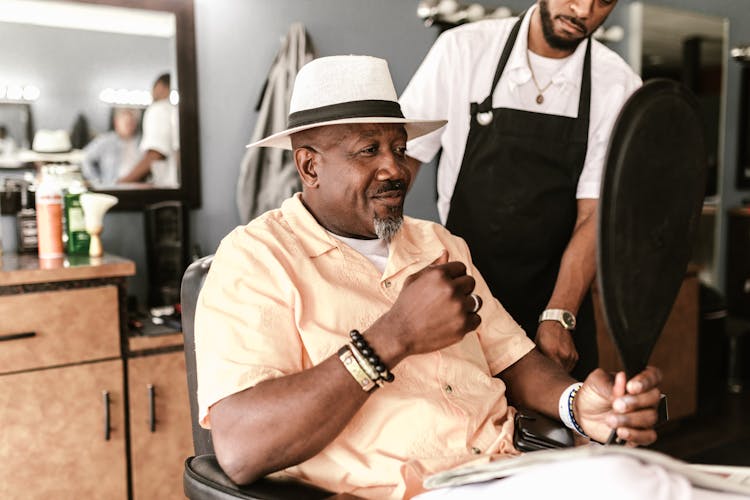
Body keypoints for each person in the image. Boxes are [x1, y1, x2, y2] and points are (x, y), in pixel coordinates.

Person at [192, 55, 694, 500]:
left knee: (662, 482)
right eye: (369, 150)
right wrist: (393, 337)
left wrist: (577, 404)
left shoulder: (439, 244)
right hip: (412, 489)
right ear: (309, 166)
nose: (396, 168)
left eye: (399, 146)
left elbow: (513, 359)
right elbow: (241, 449)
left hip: (510, 466)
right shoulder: (255, 260)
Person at [399, 0, 641, 380]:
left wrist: (560, 314)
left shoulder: (618, 84)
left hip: (556, 298)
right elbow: (402, 160)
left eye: (603, 1)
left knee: (566, 429)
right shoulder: (462, 50)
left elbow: (594, 214)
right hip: (462, 291)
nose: (583, 10)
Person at [118, 72, 179, 187]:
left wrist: (121, 183)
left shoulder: (159, 109)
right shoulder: (174, 111)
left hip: (166, 188)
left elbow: (155, 153)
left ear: (160, 86)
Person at [81, 107, 141, 186]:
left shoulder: (142, 141)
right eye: (125, 122)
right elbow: (86, 157)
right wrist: (95, 181)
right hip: (112, 187)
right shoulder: (106, 140)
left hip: (137, 186)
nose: (129, 125)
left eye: (131, 122)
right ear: (116, 122)